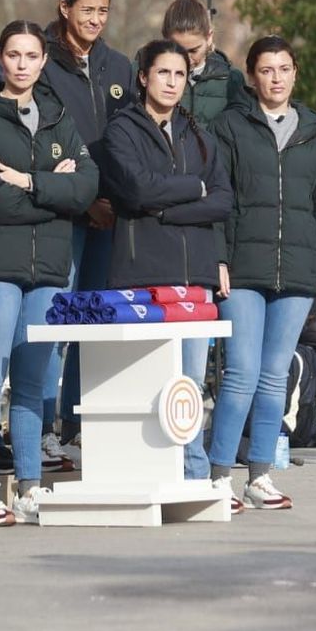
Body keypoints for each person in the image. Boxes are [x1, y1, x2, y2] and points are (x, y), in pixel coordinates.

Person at [0, 21, 99, 526]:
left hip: (47, 270)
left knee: (35, 384)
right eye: (13, 54)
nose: (21, 64)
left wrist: (28, 182)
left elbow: (85, 189)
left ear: (42, 62)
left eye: (31, 55)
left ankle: (29, 486)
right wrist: (51, 196)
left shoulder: (60, 119)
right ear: (0, 58)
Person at [207, 36, 316, 512]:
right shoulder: (230, 125)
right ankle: (218, 476)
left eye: (284, 68)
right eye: (266, 70)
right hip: (242, 272)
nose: (276, 78)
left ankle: (261, 475)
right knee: (240, 374)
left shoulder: (313, 128)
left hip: (298, 270)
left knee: (274, 378)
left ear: (295, 73)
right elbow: (218, 200)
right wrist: (219, 261)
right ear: (251, 76)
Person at [102, 39, 232, 481]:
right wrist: (193, 189)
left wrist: (167, 205)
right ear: (143, 77)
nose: (172, 83)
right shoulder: (122, 130)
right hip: (143, 274)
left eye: (179, 75)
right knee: (148, 382)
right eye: (163, 73)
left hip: (194, 277)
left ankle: (194, 475)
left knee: (190, 386)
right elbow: (136, 190)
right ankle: (150, 472)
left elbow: (222, 200)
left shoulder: (200, 136)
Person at [43, 0, 136, 451]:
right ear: (65, 8)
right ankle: (38, 429)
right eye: (87, 10)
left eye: (104, 11)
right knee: (51, 321)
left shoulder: (120, 67)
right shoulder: (40, 61)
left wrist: (113, 201)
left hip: (109, 218)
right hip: (61, 216)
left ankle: (76, 426)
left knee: (91, 321)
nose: (96, 19)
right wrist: (83, 204)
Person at [162, 0, 247, 125]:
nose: (187, 59)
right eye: (179, 50)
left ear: (209, 37)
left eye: (194, 50)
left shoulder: (230, 80)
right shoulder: (144, 74)